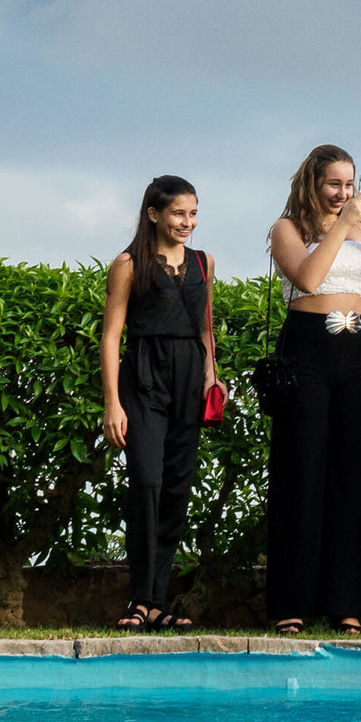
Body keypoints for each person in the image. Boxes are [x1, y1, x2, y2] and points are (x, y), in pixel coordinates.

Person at [265, 145, 361, 635]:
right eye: (334, 184)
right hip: (307, 350)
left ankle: (346, 603)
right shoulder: (288, 228)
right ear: (313, 183)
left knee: (352, 475)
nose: (344, 194)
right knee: (302, 473)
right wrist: (343, 226)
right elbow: (308, 276)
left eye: (351, 184)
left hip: (357, 352)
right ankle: (291, 603)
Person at [99, 176, 222, 632]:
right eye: (178, 214)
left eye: (192, 214)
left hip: (191, 378)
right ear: (154, 214)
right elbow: (111, 336)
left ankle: (155, 602)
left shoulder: (204, 262)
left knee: (176, 489)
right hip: (144, 377)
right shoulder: (129, 264)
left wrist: (212, 374)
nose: (187, 222)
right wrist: (112, 402)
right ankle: (140, 597)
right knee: (147, 482)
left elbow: (205, 327)